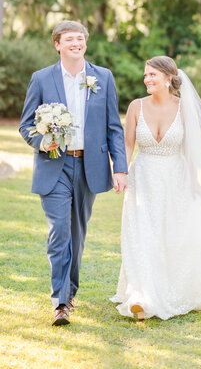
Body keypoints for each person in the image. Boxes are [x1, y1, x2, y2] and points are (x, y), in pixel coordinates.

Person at [111, 56, 201, 321]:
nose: (147, 79)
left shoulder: (184, 108)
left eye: (152, 75)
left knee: (175, 236)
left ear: (169, 78)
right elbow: (128, 144)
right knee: (142, 235)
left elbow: (191, 150)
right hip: (143, 179)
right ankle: (141, 297)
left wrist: (195, 182)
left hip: (176, 179)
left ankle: (177, 289)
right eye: (145, 75)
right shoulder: (136, 107)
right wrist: (121, 172)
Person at [19, 20, 128, 326]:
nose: (76, 43)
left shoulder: (103, 77)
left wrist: (119, 167)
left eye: (80, 39)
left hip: (89, 166)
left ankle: (70, 291)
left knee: (77, 235)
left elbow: (113, 129)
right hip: (55, 165)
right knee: (60, 232)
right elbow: (26, 125)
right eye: (69, 39)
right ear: (57, 44)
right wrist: (43, 141)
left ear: (85, 43)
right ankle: (61, 303)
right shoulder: (41, 79)